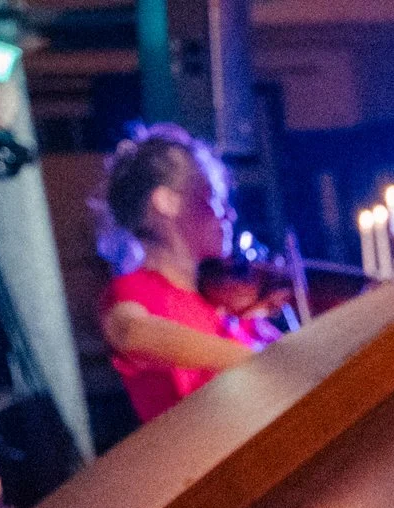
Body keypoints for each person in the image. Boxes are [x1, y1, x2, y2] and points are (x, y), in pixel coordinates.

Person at [94, 125, 273, 426]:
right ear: (166, 201)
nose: (228, 215)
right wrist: (250, 360)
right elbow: (131, 332)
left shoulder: (223, 299)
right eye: (214, 198)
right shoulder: (132, 291)